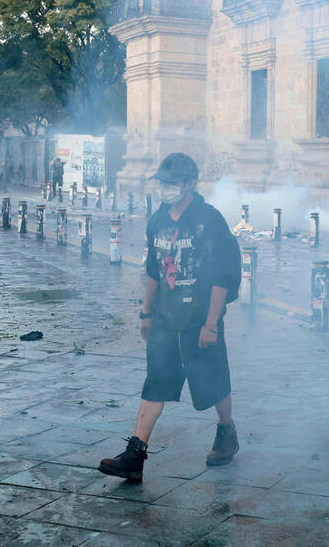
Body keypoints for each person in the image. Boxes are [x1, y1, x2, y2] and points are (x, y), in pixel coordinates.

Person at [98, 153, 242, 483]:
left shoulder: (209, 220)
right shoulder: (158, 219)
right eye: (161, 182)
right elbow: (153, 270)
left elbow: (221, 275)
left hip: (199, 319)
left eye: (171, 182)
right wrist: (146, 312)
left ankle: (226, 432)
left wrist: (211, 325)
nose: (165, 188)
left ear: (190, 184)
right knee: (156, 383)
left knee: (213, 382)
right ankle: (135, 456)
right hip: (165, 316)